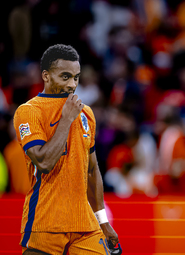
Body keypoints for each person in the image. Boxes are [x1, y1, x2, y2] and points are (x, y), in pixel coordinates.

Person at [13, 44, 121, 255]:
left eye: (76, 77)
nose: (72, 84)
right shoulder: (28, 112)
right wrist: (66, 119)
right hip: (46, 222)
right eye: (65, 77)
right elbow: (43, 162)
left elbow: (92, 169)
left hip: (86, 226)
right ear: (46, 76)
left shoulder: (86, 113)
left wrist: (103, 221)